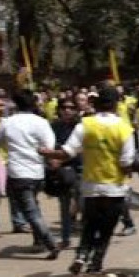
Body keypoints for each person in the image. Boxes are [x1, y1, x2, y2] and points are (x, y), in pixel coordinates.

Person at [40, 85, 136, 274]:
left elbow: (66, 152)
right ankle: (95, 263)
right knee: (107, 228)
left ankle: (81, 255)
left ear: (98, 104)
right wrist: (130, 170)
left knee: (90, 224)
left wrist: (46, 152)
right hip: (114, 188)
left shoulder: (85, 125)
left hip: (90, 186)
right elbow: (126, 163)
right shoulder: (125, 129)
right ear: (116, 105)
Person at [0, 89, 59, 259]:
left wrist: (2, 150)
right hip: (37, 172)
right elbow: (49, 145)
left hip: (18, 173)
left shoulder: (7, 123)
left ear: (15, 104)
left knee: (30, 212)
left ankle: (50, 243)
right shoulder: (41, 122)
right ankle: (39, 240)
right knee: (33, 206)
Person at [0, 92, 28, 235]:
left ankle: (19, 223)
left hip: (11, 162)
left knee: (16, 195)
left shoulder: (9, 121)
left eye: (2, 105)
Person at [49, 98, 82, 249]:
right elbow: (49, 145)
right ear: (59, 109)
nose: (67, 110)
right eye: (64, 107)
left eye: (71, 107)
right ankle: (65, 238)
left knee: (84, 205)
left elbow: (81, 148)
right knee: (64, 205)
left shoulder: (81, 126)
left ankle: (88, 239)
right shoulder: (53, 126)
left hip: (81, 168)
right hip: (62, 172)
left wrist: (62, 158)